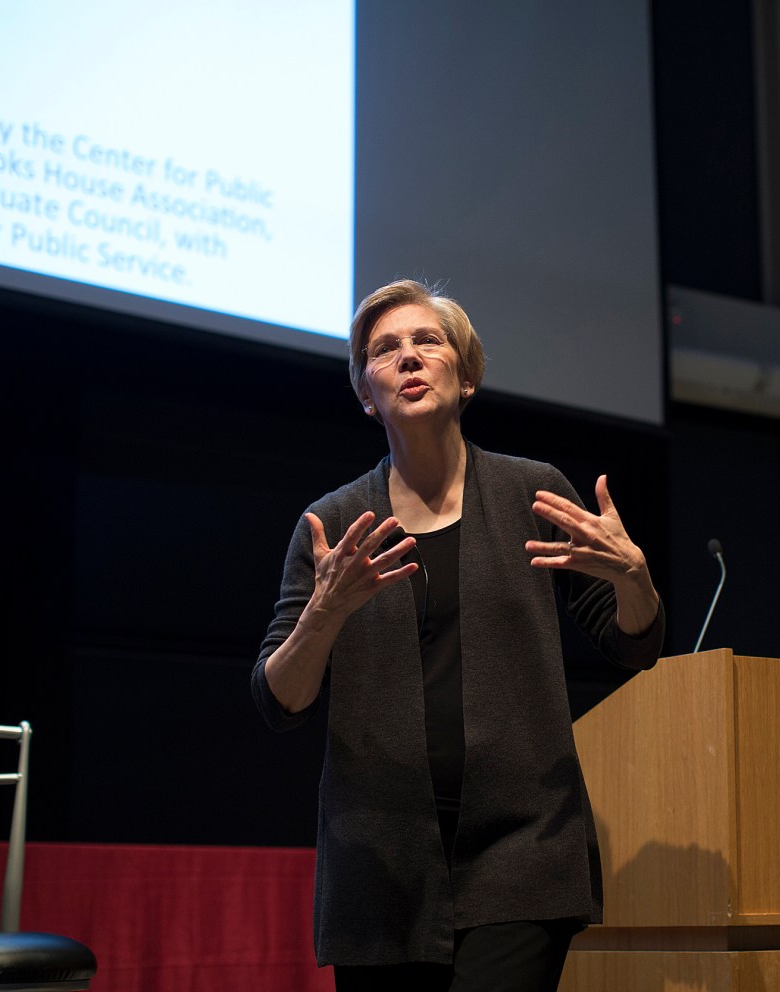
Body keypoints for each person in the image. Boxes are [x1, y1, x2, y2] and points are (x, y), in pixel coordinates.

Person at [251, 279, 665, 991]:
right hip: (381, 861)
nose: (409, 358)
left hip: (522, 850)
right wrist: (323, 615)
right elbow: (278, 701)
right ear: (365, 393)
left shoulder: (531, 494)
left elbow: (635, 644)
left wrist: (635, 578)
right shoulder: (334, 526)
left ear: (466, 375)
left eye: (428, 341)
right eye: (385, 350)